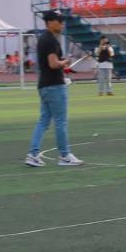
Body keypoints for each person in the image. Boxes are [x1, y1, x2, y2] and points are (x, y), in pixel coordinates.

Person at [23, 11, 84, 167]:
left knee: (43, 121)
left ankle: (33, 154)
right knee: (60, 122)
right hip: (54, 85)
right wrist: (64, 62)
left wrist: (62, 63)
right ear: (50, 22)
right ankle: (65, 156)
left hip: (44, 85)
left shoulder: (44, 39)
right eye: (59, 21)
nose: (62, 24)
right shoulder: (50, 40)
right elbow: (53, 64)